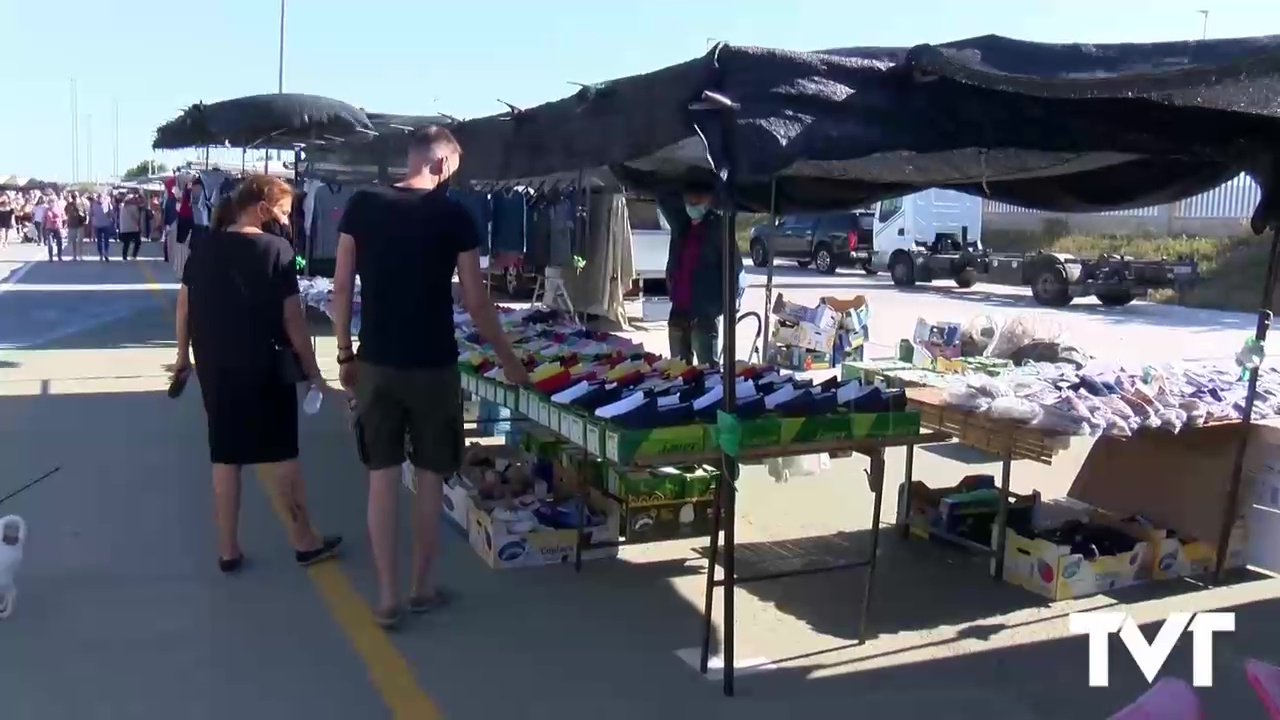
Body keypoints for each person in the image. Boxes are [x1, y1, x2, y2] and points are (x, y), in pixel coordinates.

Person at [331, 125, 529, 628]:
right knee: (427, 478)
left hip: (375, 362)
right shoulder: (454, 215)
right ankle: (422, 588)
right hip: (433, 364)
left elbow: (340, 289)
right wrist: (508, 361)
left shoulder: (362, 206)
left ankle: (387, 597)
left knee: (380, 477)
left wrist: (343, 355)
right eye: (453, 169)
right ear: (440, 163)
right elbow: (476, 302)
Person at [173, 175, 342, 574]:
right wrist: (314, 372)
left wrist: (183, 357)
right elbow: (293, 318)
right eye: (283, 211)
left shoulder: (204, 245)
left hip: (216, 364)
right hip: (266, 363)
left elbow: (184, 307)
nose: (286, 219)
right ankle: (305, 541)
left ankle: (228, 550)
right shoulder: (276, 249)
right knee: (282, 453)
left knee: (226, 456)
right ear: (263, 207)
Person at [660, 179, 743, 366]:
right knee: (678, 369)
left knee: (708, 368)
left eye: (698, 198)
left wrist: (726, 305)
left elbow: (735, 269)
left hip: (704, 312)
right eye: (689, 198)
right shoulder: (681, 224)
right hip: (679, 309)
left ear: (709, 201)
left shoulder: (719, 227)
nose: (692, 202)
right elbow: (663, 198)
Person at [118, 194, 144, 260]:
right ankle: (134, 255)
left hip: (124, 228)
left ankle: (124, 256)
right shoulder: (134, 207)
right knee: (138, 242)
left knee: (126, 243)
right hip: (133, 228)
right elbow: (136, 218)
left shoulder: (122, 207)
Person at [90, 193, 113, 261]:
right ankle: (101, 254)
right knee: (99, 241)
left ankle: (106, 253)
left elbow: (111, 214)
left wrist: (109, 217)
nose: (100, 199)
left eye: (102, 197)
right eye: (99, 197)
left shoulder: (108, 204)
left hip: (105, 224)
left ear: (104, 198)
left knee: (106, 240)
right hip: (97, 225)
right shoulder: (93, 205)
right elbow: (91, 214)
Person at [64, 192, 86, 261]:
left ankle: (80, 255)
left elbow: (84, 212)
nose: (76, 197)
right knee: (74, 241)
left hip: (80, 224)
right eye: (75, 196)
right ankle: (75, 255)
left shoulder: (81, 204)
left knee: (80, 240)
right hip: (72, 224)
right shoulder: (69, 205)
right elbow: (66, 212)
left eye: (76, 196)